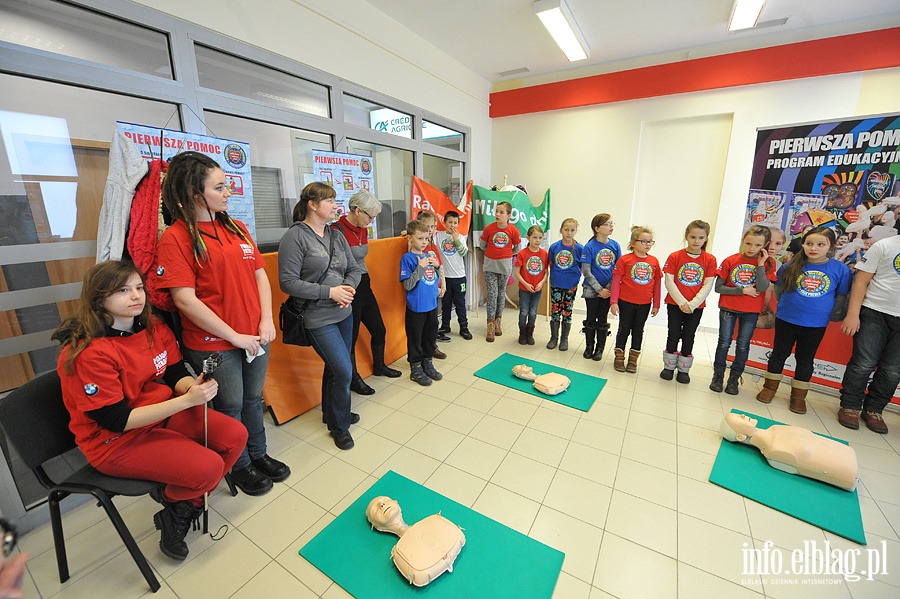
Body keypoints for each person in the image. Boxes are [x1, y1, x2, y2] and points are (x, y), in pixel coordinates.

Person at [54, 261, 247, 560]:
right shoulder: (88, 353)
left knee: (235, 435)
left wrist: (190, 388)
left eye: (139, 288)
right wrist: (186, 401)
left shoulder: (153, 326)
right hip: (114, 441)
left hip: (161, 414)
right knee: (208, 468)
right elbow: (115, 421)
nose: (136, 296)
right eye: (123, 290)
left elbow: (171, 372)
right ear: (99, 298)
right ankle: (176, 501)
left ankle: (181, 504)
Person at [157, 151, 289, 494]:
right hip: (215, 344)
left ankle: (258, 453)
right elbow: (185, 300)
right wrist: (235, 336)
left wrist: (265, 321)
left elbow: (260, 275)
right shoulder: (176, 237)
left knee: (252, 400)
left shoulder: (235, 226)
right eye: (220, 187)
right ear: (193, 193)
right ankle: (239, 464)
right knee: (228, 405)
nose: (229, 192)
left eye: (227, 185)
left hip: (256, 336)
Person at [279, 182, 362, 450]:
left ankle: (333, 412)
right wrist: (330, 293)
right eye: (329, 201)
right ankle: (340, 426)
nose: (335, 205)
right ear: (312, 205)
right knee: (342, 368)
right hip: (317, 316)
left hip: (343, 311)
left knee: (337, 367)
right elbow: (288, 282)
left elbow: (355, 268)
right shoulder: (295, 237)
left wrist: (348, 288)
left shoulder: (336, 234)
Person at [756, 227, 851, 414]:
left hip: (815, 324)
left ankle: (798, 398)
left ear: (831, 246)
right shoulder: (789, 266)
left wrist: (831, 314)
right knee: (778, 354)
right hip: (786, 319)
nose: (813, 248)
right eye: (809, 243)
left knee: (805, 360)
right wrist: (787, 308)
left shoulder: (840, 270)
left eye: (820, 244)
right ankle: (769, 388)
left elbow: (841, 296)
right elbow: (779, 291)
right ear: (803, 244)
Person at [334, 189, 402, 397]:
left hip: (365, 285)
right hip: (348, 288)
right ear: (356, 210)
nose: (371, 221)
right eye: (370, 216)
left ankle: (379, 365)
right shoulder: (336, 230)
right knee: (350, 339)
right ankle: (353, 378)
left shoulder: (361, 228)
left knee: (379, 329)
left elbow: (360, 258)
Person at [837, 233, 900, 434]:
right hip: (874, 312)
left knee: (892, 371)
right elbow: (860, 281)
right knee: (863, 363)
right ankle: (850, 406)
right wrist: (853, 314)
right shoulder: (884, 245)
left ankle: (874, 410)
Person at [710, 225, 776, 395]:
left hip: (751, 311)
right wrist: (742, 290)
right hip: (728, 308)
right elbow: (718, 288)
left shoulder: (768, 264)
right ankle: (717, 377)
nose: (751, 248)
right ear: (742, 241)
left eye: (757, 245)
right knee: (724, 342)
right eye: (748, 243)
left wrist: (760, 265)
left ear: (765, 245)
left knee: (743, 345)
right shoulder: (730, 260)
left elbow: (761, 287)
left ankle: (734, 380)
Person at [720, 413, 858, 491]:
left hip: (845, 456)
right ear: (740, 437)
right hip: (848, 472)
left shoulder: (775, 429)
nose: (743, 415)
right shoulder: (773, 451)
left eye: (739, 415)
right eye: (738, 419)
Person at [659, 220, 717, 383]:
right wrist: (681, 302)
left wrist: (692, 304)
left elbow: (708, 284)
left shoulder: (710, 259)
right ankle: (668, 366)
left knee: (689, 335)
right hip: (675, 304)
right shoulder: (675, 256)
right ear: (686, 236)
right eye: (693, 237)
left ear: (706, 239)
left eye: (700, 237)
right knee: (673, 333)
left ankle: (684, 369)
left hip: (696, 307)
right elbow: (669, 281)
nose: (696, 241)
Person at [610, 226, 662, 373]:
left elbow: (657, 284)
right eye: (644, 241)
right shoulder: (625, 260)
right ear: (633, 243)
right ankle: (619, 357)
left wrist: (656, 304)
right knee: (624, 329)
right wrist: (614, 302)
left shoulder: (654, 261)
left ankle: (633, 360)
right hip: (625, 301)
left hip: (644, 303)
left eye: (650, 242)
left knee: (638, 331)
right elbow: (616, 282)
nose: (647, 244)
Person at [401, 220, 444, 386]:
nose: (424, 242)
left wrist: (437, 267)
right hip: (417, 307)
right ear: (410, 238)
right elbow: (408, 284)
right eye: (420, 238)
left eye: (426, 238)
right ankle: (416, 367)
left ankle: (427, 362)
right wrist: (419, 267)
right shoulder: (407, 259)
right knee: (415, 338)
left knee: (430, 335)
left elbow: (432, 279)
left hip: (432, 305)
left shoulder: (429, 256)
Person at [479, 201, 521, 341]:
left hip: (505, 267)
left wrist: (506, 254)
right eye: (496, 211)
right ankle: (490, 325)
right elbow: (482, 245)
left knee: (501, 294)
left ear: (508, 215)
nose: (497, 214)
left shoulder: (513, 230)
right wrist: (494, 254)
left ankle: (498, 322)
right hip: (490, 266)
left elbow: (517, 247)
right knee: (492, 294)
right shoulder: (489, 228)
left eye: (501, 212)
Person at [581, 214, 621, 360]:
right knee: (591, 318)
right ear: (596, 228)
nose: (611, 226)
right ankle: (589, 346)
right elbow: (586, 271)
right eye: (607, 224)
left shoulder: (615, 246)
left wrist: (607, 289)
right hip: (592, 288)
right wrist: (599, 289)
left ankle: (600, 348)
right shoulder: (589, 246)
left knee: (602, 319)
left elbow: (618, 270)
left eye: (612, 223)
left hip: (609, 289)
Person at [545, 218, 584, 351]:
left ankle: (564, 339)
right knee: (555, 310)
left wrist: (576, 278)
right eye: (566, 230)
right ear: (561, 230)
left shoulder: (579, 248)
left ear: (576, 231)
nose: (569, 232)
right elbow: (550, 264)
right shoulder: (555, 247)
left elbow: (582, 266)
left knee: (567, 311)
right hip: (556, 283)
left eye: (572, 230)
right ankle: (553, 337)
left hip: (571, 285)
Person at [435, 210, 472, 340]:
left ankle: (464, 327)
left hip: (459, 276)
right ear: (444, 223)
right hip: (445, 277)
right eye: (450, 222)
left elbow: (463, 253)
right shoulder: (438, 236)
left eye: (455, 223)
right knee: (445, 303)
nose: (453, 225)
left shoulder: (460, 237)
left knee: (460, 303)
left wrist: (456, 240)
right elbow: (427, 238)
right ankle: (445, 325)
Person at [417, 211, 448, 357]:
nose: (431, 230)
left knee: (433, 322)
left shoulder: (434, 246)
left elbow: (440, 267)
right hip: (424, 290)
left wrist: (443, 286)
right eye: (427, 226)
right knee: (423, 323)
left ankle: (432, 346)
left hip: (435, 290)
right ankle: (423, 349)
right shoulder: (418, 247)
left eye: (433, 226)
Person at [513, 225, 549, 345]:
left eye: (540, 238)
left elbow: (545, 272)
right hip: (524, 289)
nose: (538, 240)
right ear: (528, 238)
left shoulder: (544, 254)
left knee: (533, 312)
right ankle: (522, 333)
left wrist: (541, 282)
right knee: (524, 311)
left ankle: (530, 334)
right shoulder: (522, 253)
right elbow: (517, 272)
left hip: (537, 289)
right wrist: (526, 284)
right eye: (535, 237)